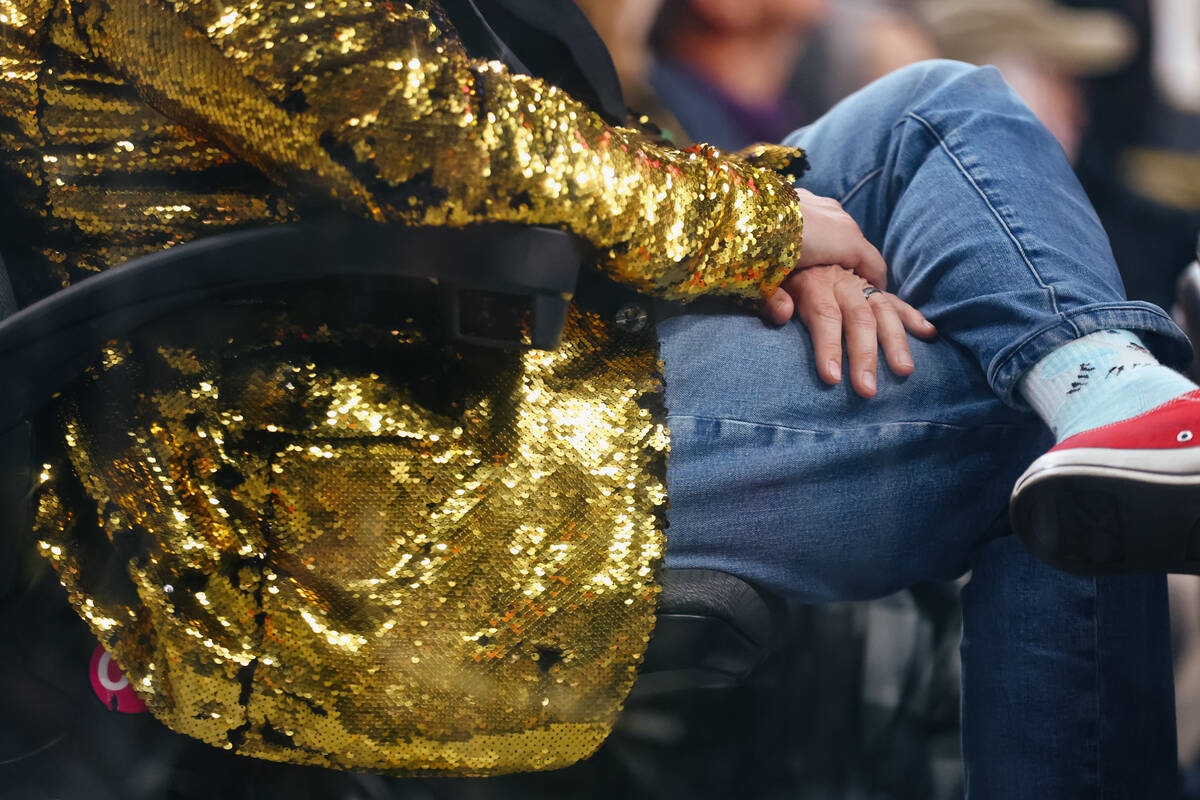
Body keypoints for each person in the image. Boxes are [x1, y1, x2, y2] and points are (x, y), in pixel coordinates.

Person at [0, 0, 1197, 796]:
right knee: (1030, 442)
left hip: (457, 357)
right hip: (357, 484)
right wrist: (767, 226)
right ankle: (1098, 405)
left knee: (935, 108)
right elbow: (435, 143)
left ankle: (1111, 385)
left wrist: (780, 236)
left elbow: (527, 134)